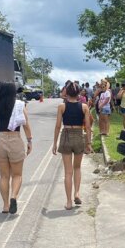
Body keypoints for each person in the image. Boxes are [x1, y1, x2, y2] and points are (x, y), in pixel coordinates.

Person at [0, 82, 33, 214]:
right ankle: (14, 197)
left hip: (0, 141)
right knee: (17, 175)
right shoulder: (19, 105)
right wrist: (29, 141)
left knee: (4, 176)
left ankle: (6, 206)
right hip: (15, 139)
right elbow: (26, 125)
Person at [52, 81, 92, 210]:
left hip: (66, 136)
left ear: (67, 93)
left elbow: (58, 126)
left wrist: (54, 143)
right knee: (77, 168)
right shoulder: (84, 107)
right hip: (79, 136)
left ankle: (69, 202)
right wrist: (89, 143)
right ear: (79, 93)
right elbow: (88, 127)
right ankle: (77, 193)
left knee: (68, 172)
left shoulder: (61, 107)